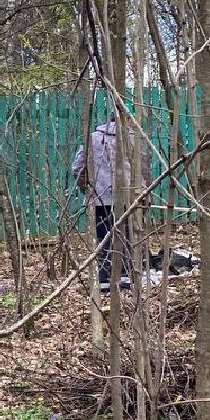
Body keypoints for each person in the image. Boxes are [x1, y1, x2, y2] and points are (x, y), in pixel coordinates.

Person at [71, 113, 148, 288]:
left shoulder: (91, 139)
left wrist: (90, 189)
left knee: (104, 236)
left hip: (99, 199)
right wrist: (144, 194)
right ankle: (126, 277)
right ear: (127, 121)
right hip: (129, 198)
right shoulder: (133, 140)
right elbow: (143, 169)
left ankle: (105, 279)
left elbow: (77, 169)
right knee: (128, 236)